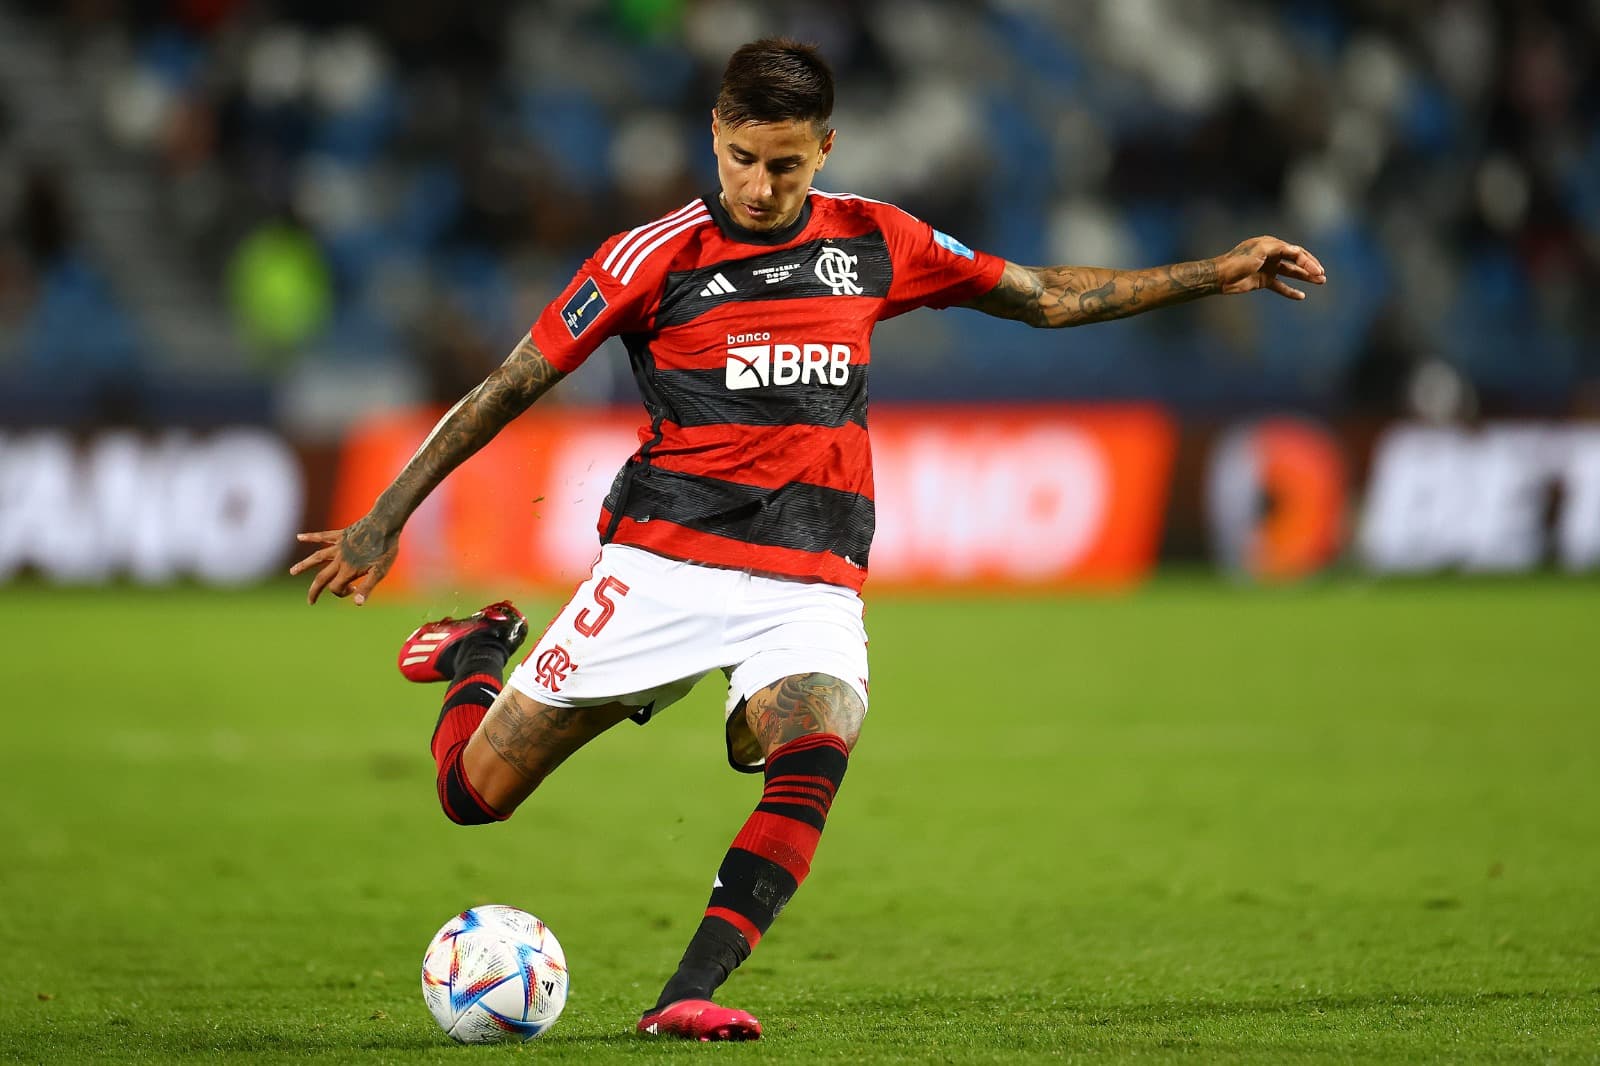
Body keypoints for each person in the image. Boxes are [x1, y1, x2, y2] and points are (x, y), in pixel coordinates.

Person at [291, 37, 1326, 1042]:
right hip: (662, 568)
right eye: (742, 158)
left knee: (817, 744)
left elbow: (1042, 297)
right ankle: (479, 653)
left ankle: (685, 994)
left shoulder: (875, 239)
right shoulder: (650, 257)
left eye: (785, 165)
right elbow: (508, 384)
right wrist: (384, 519)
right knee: (471, 797)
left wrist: (1216, 270)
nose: (759, 186)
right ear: (714, 135)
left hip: (809, 581)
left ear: (825, 147)